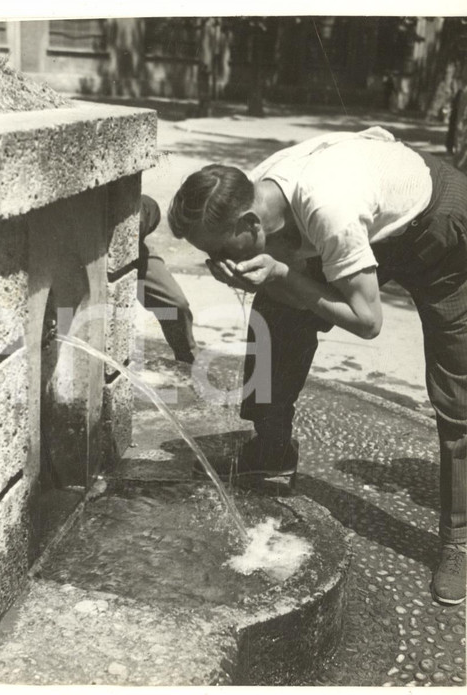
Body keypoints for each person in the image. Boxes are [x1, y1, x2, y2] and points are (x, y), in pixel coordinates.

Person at [167, 126, 466, 607]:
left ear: (251, 223)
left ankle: (460, 538)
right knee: (275, 311)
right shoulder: (259, 186)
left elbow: (368, 322)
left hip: (441, 226)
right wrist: (273, 281)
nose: (217, 261)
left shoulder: (329, 210)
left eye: (221, 249)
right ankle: (272, 447)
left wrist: (283, 274)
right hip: (376, 216)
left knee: (457, 388)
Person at [137, 194, 197, 365]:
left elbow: (151, 207)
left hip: (128, 238)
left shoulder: (142, 215)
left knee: (175, 304)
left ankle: (187, 361)